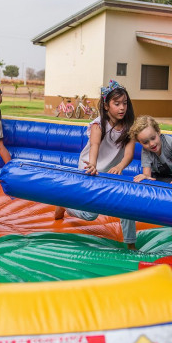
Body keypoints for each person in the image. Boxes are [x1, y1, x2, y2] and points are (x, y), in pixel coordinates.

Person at [54, 80, 137, 250]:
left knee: (127, 204)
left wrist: (120, 167)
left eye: (125, 103)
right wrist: (92, 165)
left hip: (113, 171)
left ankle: (131, 244)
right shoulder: (99, 124)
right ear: (106, 106)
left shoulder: (129, 127)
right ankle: (64, 204)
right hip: (91, 168)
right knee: (90, 215)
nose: (122, 108)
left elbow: (129, 154)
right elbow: (94, 146)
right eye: (117, 104)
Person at [129, 115, 172, 238]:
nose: (151, 144)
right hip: (159, 175)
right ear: (140, 143)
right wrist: (145, 176)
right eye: (145, 142)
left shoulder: (169, 141)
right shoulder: (146, 151)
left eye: (153, 138)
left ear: (158, 132)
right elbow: (147, 174)